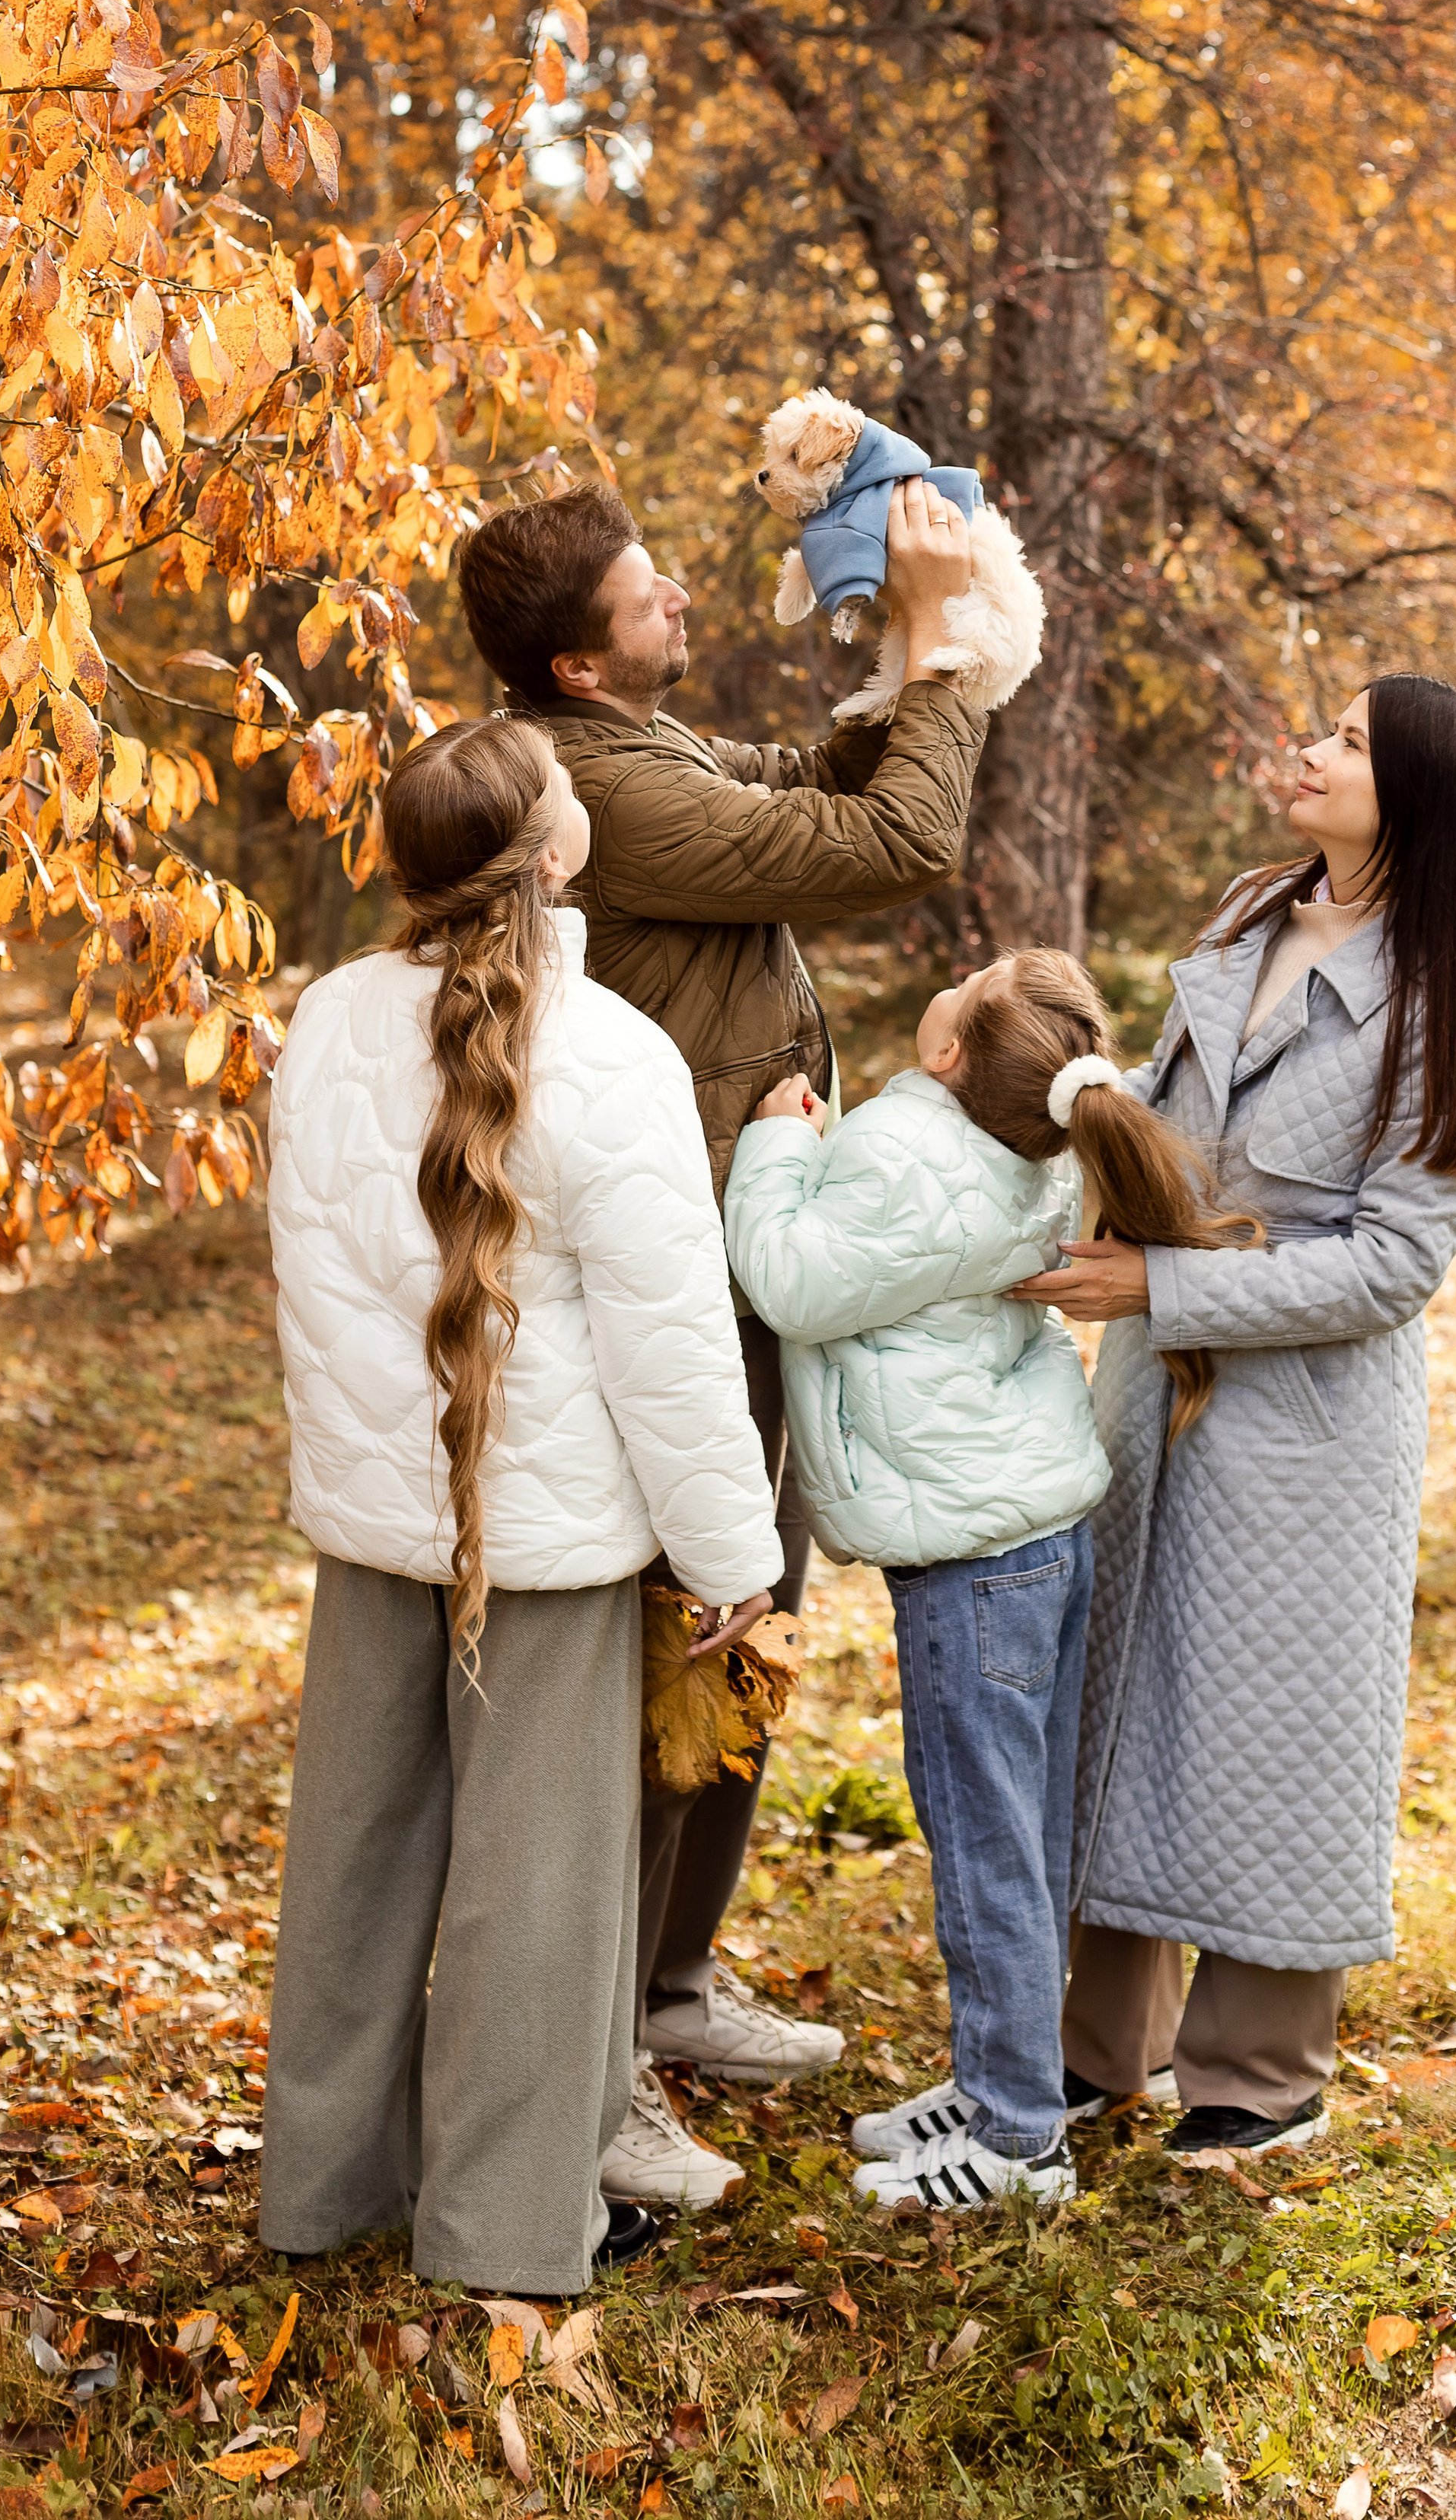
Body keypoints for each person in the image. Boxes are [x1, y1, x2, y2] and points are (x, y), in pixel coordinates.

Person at [454, 476, 988, 2203]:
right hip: (673, 1270)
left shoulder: (643, 747)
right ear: (577, 663)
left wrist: (897, 653)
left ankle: (672, 1987)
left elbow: (804, 788)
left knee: (745, 1618)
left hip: (738, 1252)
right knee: (691, 1632)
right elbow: (890, 844)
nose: (678, 592)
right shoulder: (592, 786)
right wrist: (950, 664)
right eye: (643, 591)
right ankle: (597, 2041)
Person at [257, 719, 783, 2293]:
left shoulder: (325, 1019)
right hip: (548, 1548)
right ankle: (499, 2227)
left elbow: (315, 1284)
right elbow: (672, 1344)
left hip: (376, 1522)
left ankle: (323, 2186)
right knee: (537, 1887)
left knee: (351, 1858)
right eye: (567, 797)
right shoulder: (611, 1051)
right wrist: (734, 1555)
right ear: (553, 853)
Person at [1012, 676, 1456, 2154]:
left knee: (1270, 1720)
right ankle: (1093, 2039)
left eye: (1348, 743)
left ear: (1422, 795)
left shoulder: (1447, 993)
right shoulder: (1252, 911)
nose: (1308, 753)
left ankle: (1258, 2072)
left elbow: (1394, 1265)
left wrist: (1163, 1291)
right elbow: (1162, 1097)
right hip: (1151, 1388)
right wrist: (1041, 1104)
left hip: (1306, 1412)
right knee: (1117, 1681)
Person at [724, 949, 1254, 2208]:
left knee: (986, 1845)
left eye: (965, 987)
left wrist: (778, 1148)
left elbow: (791, 1278)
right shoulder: (1031, 1149)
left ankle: (1018, 2137)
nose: (952, 974)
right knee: (1024, 1828)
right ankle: (1003, 2072)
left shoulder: (908, 1154)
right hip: (1032, 1529)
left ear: (950, 1056)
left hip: (972, 1557)